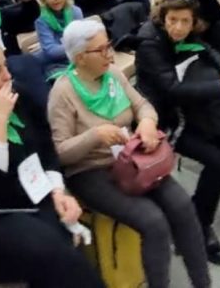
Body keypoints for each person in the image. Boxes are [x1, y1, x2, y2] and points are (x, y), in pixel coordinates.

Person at [48, 20, 210, 288]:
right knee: (153, 221)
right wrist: (95, 135)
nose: (109, 55)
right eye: (100, 50)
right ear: (79, 58)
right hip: (90, 170)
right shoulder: (62, 92)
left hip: (131, 160)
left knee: (181, 204)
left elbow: (143, 105)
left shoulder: (112, 74)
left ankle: (202, 282)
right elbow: (61, 152)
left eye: (108, 47)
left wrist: (147, 122)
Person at [0, 37, 102, 288]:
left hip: (31, 196)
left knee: (64, 253)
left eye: (5, 66)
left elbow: (46, 148)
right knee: (50, 251)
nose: (7, 76)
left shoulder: (20, 95)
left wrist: (58, 191)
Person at [135, 0, 220, 265]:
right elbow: (171, 91)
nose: (178, 27)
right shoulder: (149, 43)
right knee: (218, 162)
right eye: (172, 21)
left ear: (193, 22)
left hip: (198, 113)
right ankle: (200, 223)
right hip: (169, 121)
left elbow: (208, 50)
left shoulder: (189, 35)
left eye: (185, 22)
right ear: (163, 19)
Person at [35, 0, 83, 78]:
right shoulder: (41, 20)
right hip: (55, 64)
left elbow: (82, 42)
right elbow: (51, 51)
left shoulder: (76, 12)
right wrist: (75, 46)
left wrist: (79, 45)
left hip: (78, 59)